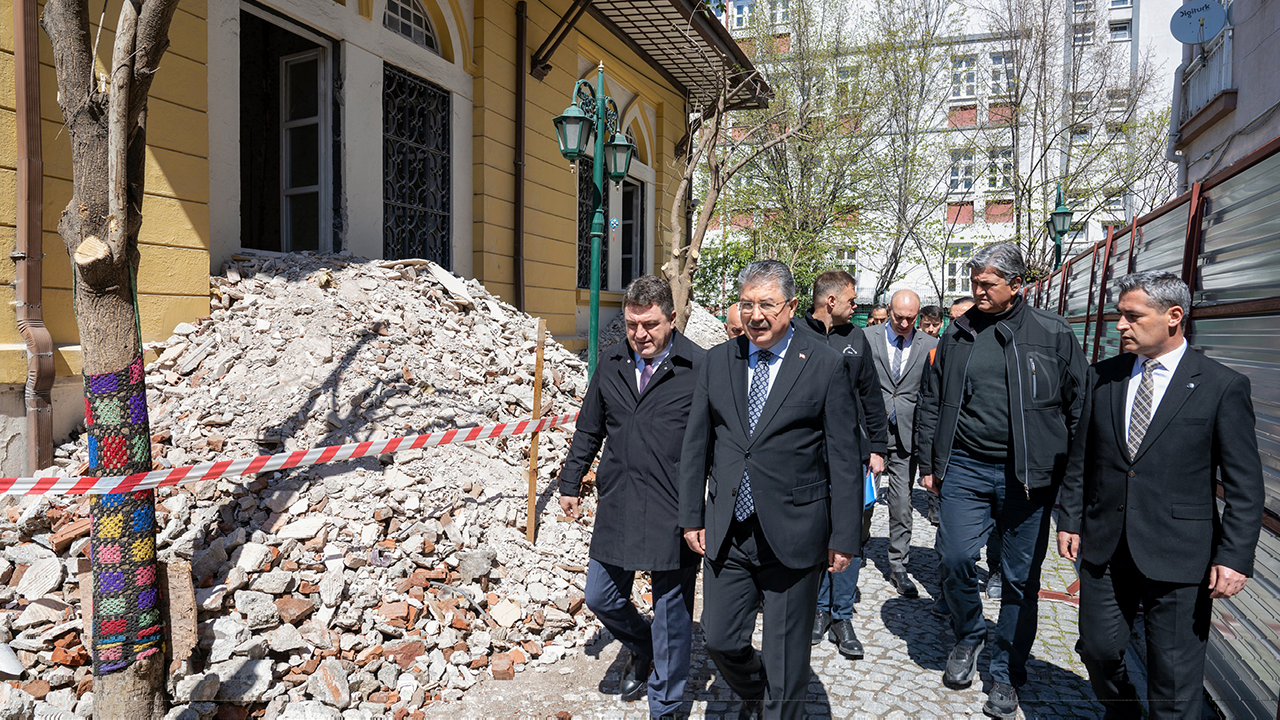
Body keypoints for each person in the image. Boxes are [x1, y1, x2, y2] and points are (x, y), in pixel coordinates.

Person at [1057, 271, 1263, 720]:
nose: (1120, 325)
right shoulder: (1103, 377)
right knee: (1097, 649)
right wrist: (1069, 518)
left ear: (1173, 316)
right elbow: (1082, 457)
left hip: (1180, 555)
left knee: (1173, 680)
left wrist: (1234, 556)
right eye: (1119, 315)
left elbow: (1245, 486)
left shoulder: (1221, 385)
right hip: (1106, 545)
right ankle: (1123, 710)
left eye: (1132, 316)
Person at [679, 260, 864, 720]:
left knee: (786, 660)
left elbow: (844, 458)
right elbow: (697, 444)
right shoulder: (718, 361)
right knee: (720, 638)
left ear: (792, 306)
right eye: (747, 305)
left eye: (767, 304)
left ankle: (780, 707)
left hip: (794, 533)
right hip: (729, 530)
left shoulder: (823, 364)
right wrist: (691, 515)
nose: (755, 315)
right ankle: (757, 691)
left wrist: (845, 535)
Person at [915, 243, 1086, 720]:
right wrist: (930, 462)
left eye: (987, 284)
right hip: (965, 467)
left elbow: (1079, 410)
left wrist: (1070, 486)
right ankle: (969, 634)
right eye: (974, 283)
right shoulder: (959, 331)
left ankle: (1008, 672)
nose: (978, 291)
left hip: (1028, 478)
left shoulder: (1053, 333)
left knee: (1019, 580)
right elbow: (933, 399)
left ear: (1016, 284)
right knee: (953, 558)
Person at [559, 276, 705, 719]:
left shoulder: (700, 367)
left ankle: (666, 706)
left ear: (672, 319)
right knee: (600, 596)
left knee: (672, 618)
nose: (640, 334)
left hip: (673, 509)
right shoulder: (612, 361)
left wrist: (705, 510)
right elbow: (589, 428)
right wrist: (570, 481)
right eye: (631, 324)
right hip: (619, 502)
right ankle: (642, 645)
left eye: (650, 324)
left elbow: (717, 444)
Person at [795, 270, 888, 658]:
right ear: (830, 301)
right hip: (807, 456)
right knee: (816, 532)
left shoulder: (857, 339)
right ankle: (819, 610)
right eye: (852, 299)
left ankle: (842, 616)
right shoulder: (796, 334)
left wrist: (878, 447)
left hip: (851, 454)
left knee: (849, 533)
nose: (856, 305)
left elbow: (871, 396)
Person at [863, 289, 936, 599]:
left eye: (911, 318)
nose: (905, 324)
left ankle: (898, 565)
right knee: (864, 499)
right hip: (871, 433)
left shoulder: (929, 345)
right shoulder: (866, 338)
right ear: (888, 312)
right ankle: (856, 545)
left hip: (907, 435)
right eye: (899, 317)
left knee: (902, 504)